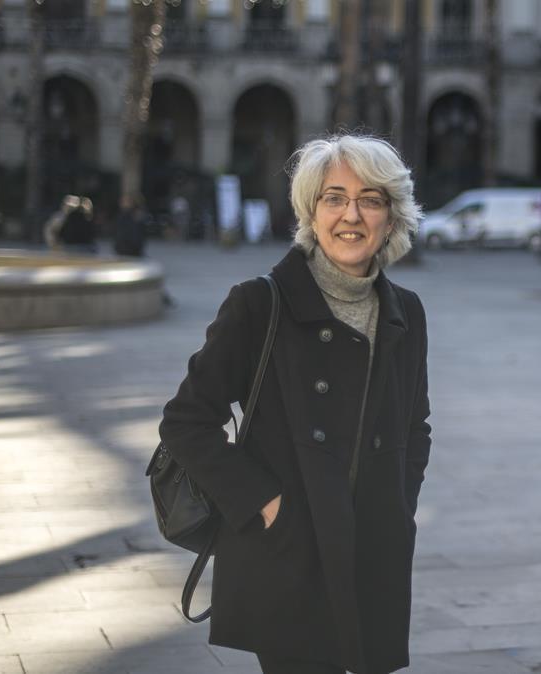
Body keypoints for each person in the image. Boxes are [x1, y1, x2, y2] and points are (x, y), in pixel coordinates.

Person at [158, 134, 431, 674]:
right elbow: (186, 422)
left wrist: (400, 502)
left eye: (370, 199)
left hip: (371, 546)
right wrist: (265, 504)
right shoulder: (260, 303)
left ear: (391, 216)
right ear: (312, 210)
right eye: (334, 197)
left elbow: (414, 424)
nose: (351, 215)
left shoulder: (407, 311)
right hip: (287, 552)